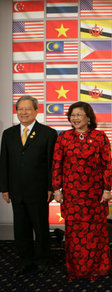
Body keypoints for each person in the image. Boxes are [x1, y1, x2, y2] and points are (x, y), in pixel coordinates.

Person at [51, 101, 112, 280]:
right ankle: (76, 270)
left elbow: (107, 165)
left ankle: (97, 269)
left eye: (79, 114)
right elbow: (57, 164)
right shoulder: (63, 137)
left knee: (94, 232)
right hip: (72, 194)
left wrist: (107, 189)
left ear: (88, 117)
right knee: (74, 232)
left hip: (95, 194)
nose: (75, 118)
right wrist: (56, 189)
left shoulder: (100, 137)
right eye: (72, 115)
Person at [0, 96, 57, 276]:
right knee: (21, 228)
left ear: (36, 110)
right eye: (20, 109)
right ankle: (25, 260)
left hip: (39, 191)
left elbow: (51, 164)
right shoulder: (8, 134)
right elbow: (4, 163)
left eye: (27, 109)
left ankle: (42, 261)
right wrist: (4, 188)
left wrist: (51, 187)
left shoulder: (48, 133)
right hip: (16, 191)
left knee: (40, 228)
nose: (23, 113)